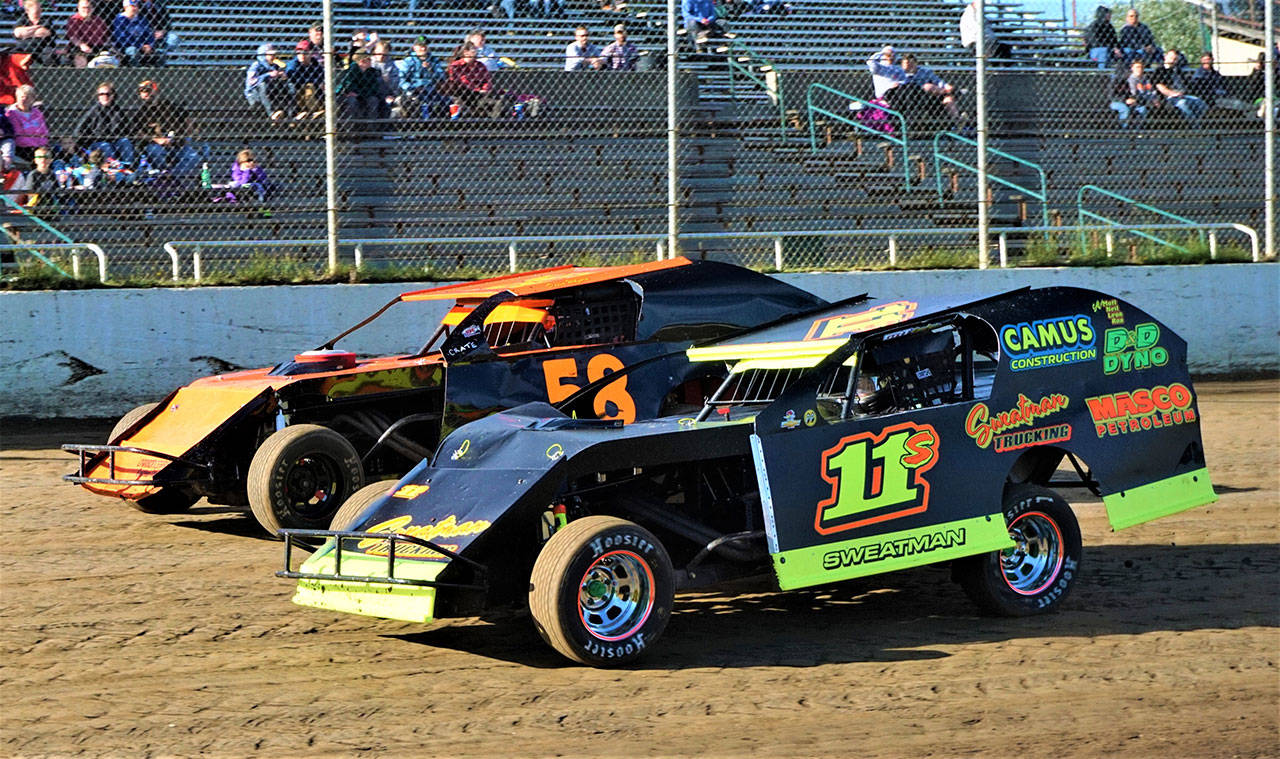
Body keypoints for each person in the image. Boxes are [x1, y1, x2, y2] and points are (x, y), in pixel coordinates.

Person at [133, 79, 203, 176]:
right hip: (155, 145)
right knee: (155, 151)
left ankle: (173, 175)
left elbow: (187, 119)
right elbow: (136, 132)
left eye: (148, 90)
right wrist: (157, 140)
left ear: (155, 91)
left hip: (176, 143)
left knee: (193, 157)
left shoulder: (169, 106)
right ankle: (164, 174)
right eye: (142, 91)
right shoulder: (140, 112)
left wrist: (186, 135)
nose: (146, 93)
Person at [443, 41, 510, 120]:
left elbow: (487, 80)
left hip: (479, 95)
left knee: (500, 101)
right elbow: (457, 81)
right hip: (463, 94)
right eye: (473, 50)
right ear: (466, 52)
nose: (476, 51)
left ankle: (494, 123)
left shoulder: (480, 65)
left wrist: (484, 89)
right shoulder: (456, 66)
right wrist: (474, 88)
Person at [73, 80, 135, 164]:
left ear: (113, 95)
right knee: (106, 146)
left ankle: (128, 167)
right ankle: (112, 169)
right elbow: (78, 131)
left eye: (107, 94)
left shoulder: (118, 111)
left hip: (115, 141)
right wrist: (84, 147)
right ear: (98, 96)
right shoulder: (92, 111)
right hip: (97, 142)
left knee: (125, 142)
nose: (104, 96)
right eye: (101, 94)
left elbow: (128, 130)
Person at [1150, 49, 1207, 126]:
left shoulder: (1178, 70)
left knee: (1200, 102)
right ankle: (1195, 126)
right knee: (1183, 104)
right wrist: (1173, 93)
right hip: (1168, 97)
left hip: (1182, 95)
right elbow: (1160, 86)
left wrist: (1183, 92)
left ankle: (1201, 123)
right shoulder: (1160, 70)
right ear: (1165, 57)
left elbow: (1184, 85)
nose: (1172, 60)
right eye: (1171, 58)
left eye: (1175, 59)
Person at [396, 36, 447, 119]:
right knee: (413, 102)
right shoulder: (409, 61)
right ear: (414, 47)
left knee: (446, 101)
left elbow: (442, 76)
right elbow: (401, 80)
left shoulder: (434, 60)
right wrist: (411, 88)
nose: (423, 49)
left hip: (431, 90)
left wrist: (431, 69)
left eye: (425, 46)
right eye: (420, 46)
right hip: (413, 90)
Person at [2, 83, 47, 169]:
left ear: (33, 99)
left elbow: (44, 131)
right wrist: (35, 145)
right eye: (21, 96)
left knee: (45, 155)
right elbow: (19, 135)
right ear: (17, 97)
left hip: (38, 146)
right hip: (23, 147)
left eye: (28, 97)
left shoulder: (37, 113)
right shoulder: (12, 113)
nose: (24, 99)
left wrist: (41, 145)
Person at [245, 44, 291, 121]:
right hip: (254, 94)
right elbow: (251, 81)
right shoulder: (256, 65)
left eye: (274, 54)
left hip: (271, 92)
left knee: (288, 85)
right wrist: (268, 75)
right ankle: (272, 114)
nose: (273, 57)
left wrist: (281, 75)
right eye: (270, 55)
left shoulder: (275, 65)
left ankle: (291, 115)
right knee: (263, 85)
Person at [338, 51, 381, 127]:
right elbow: (349, 87)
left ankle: (371, 129)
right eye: (369, 59)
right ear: (362, 61)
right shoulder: (351, 71)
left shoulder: (371, 72)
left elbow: (374, 88)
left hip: (363, 95)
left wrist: (360, 94)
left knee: (373, 100)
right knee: (352, 101)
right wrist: (361, 92)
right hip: (351, 96)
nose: (371, 61)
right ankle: (351, 129)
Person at [285, 39, 324, 120]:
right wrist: (316, 81)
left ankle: (320, 111)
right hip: (298, 92)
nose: (302, 55)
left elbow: (321, 76)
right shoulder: (293, 64)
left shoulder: (314, 63)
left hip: (316, 92)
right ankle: (313, 112)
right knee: (309, 87)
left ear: (311, 53)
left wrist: (320, 82)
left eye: (305, 52)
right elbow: (296, 79)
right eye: (299, 53)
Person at [66, 0, 109, 68]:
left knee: (110, 59)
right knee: (80, 57)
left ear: (92, 8)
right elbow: (73, 37)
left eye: (89, 7)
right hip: (80, 47)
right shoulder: (73, 20)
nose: (86, 10)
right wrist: (82, 45)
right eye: (84, 7)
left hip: (98, 46)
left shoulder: (98, 20)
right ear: (78, 8)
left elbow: (106, 36)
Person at [112, 0, 155, 66]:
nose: (135, 8)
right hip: (126, 48)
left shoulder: (142, 19)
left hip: (144, 47)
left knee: (159, 53)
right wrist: (140, 46)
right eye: (132, 6)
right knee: (133, 50)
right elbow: (123, 39)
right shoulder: (119, 20)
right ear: (125, 7)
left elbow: (149, 34)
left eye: (137, 6)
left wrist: (149, 45)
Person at [1108, 60, 1145, 129]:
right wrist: (1124, 100)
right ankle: (1124, 128)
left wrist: (1134, 100)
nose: (1126, 74)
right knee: (1124, 109)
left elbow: (1132, 94)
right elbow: (1111, 96)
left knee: (1142, 108)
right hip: (1115, 102)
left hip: (1129, 101)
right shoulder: (1114, 82)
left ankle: (1138, 129)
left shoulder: (1127, 82)